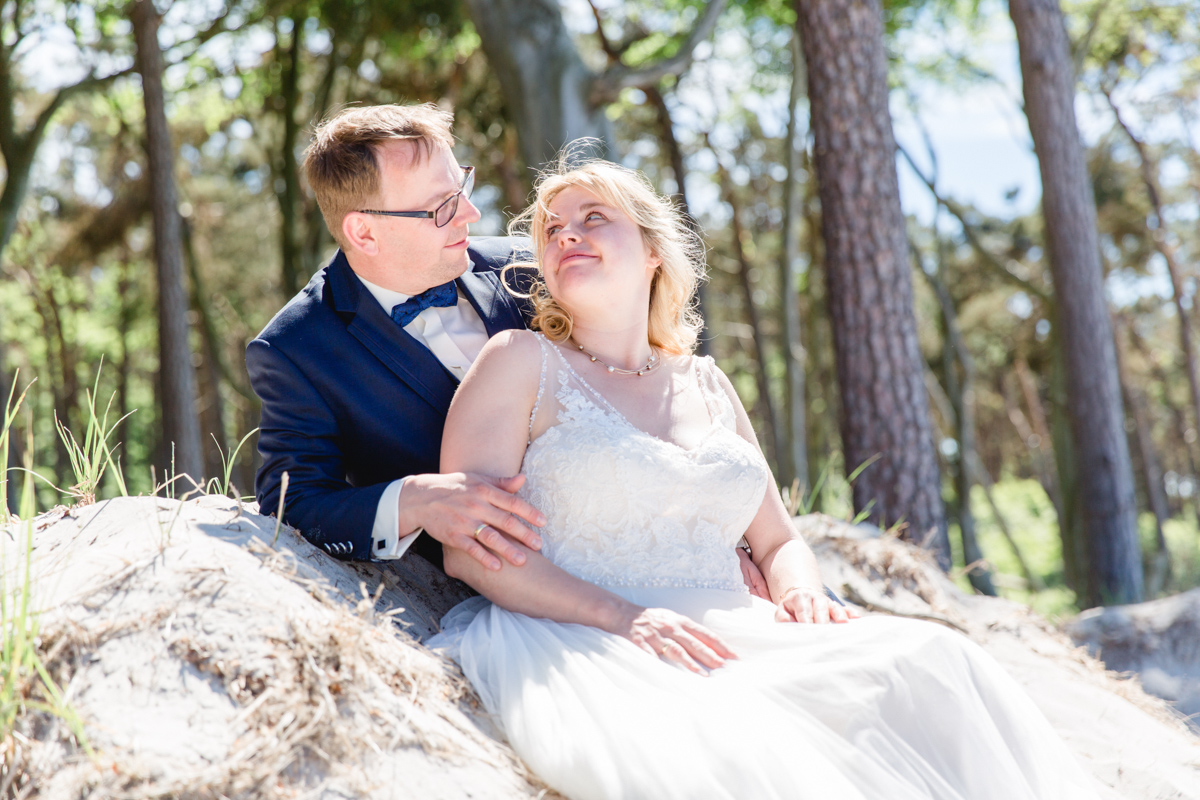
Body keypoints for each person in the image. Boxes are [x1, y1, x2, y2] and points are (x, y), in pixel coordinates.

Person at [428, 158, 1104, 799]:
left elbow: (778, 539)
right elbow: (469, 547)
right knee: (746, 747)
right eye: (552, 228)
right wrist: (627, 618)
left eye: (593, 216)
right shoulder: (520, 361)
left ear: (654, 250)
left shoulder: (708, 382)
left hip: (743, 624)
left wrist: (803, 594)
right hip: (589, 632)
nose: (566, 231)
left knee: (936, 661)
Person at [246, 104, 767, 597]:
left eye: (462, 186)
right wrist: (415, 500)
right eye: (441, 206)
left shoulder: (530, 268)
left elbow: (645, 400)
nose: (470, 213)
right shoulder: (296, 348)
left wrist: (712, 536)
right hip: (492, 592)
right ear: (364, 231)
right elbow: (294, 502)